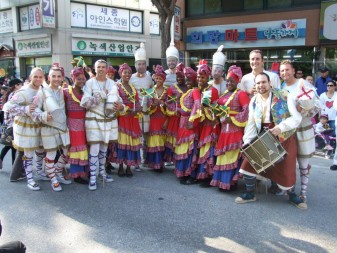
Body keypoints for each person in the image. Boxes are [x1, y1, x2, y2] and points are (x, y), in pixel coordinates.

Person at [235, 72, 304, 209]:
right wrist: (247, 141)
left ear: (270, 83)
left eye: (264, 82)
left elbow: (297, 118)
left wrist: (280, 127)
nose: (261, 85)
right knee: (249, 162)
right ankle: (250, 193)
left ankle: (292, 195)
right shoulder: (254, 100)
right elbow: (251, 122)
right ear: (255, 85)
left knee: (287, 167)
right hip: (264, 134)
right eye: (258, 83)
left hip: (285, 135)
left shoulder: (285, 95)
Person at [280, 60, 320, 207]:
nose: (285, 73)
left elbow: (317, 105)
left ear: (293, 70)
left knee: (303, 163)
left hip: (303, 128)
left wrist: (303, 110)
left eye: (287, 70)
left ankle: (303, 192)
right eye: (282, 70)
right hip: (289, 130)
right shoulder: (282, 86)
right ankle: (289, 188)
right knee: (288, 161)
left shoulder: (303, 84)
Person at [80, 59, 124, 190]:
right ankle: (92, 177)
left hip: (108, 119)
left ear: (106, 69)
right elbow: (85, 103)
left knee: (104, 148)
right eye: (98, 67)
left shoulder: (113, 83)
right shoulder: (89, 83)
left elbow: (120, 101)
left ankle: (102, 172)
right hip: (93, 118)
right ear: (94, 68)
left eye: (103, 67)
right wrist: (101, 95)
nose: (101, 69)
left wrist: (121, 106)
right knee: (94, 148)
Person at [6, 68, 48, 191]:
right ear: (30, 77)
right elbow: (8, 106)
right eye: (36, 76)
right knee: (28, 154)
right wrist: (25, 110)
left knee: (41, 151)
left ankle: (40, 172)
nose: (38, 79)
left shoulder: (42, 90)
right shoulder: (23, 92)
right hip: (26, 128)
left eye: (40, 77)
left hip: (40, 125)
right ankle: (30, 179)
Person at [32, 65, 72, 191]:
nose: (56, 78)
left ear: (62, 78)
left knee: (66, 152)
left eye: (58, 76)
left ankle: (58, 172)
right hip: (48, 127)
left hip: (62, 126)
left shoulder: (63, 90)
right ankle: (53, 178)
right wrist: (44, 115)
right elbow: (34, 109)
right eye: (53, 76)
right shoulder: (42, 91)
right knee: (51, 153)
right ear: (49, 77)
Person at [210, 65, 250, 191]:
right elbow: (217, 107)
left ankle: (229, 183)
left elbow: (247, 111)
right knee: (222, 156)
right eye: (227, 80)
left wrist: (232, 118)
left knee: (231, 156)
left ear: (237, 81)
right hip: (223, 130)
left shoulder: (241, 94)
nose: (229, 83)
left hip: (234, 131)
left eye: (232, 81)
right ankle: (221, 181)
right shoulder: (224, 94)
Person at [112, 63, 142, 177]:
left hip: (133, 119)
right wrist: (129, 110)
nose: (127, 74)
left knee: (131, 142)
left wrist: (138, 108)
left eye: (129, 72)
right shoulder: (117, 87)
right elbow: (116, 102)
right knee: (123, 142)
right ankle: (120, 166)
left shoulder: (133, 88)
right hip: (123, 117)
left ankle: (129, 166)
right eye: (125, 72)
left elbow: (137, 101)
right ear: (120, 73)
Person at [174, 67, 201, 183]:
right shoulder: (188, 91)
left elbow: (197, 104)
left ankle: (190, 174)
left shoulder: (195, 91)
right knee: (183, 148)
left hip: (189, 124)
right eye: (186, 80)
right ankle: (183, 172)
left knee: (189, 150)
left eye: (190, 79)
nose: (188, 82)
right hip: (182, 123)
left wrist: (193, 121)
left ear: (195, 80)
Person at [194, 63, 219, 185]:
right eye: (198, 76)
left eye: (202, 77)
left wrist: (206, 109)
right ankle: (201, 174)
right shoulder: (198, 90)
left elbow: (215, 110)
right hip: (200, 125)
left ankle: (208, 176)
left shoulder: (212, 90)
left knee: (207, 150)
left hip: (209, 125)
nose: (199, 79)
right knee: (201, 150)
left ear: (208, 77)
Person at [130, 43, 153, 168]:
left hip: (146, 110)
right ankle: (136, 161)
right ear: (135, 65)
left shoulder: (150, 78)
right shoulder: (131, 78)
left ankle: (144, 158)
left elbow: (151, 92)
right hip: (135, 110)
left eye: (143, 64)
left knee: (146, 135)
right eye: (139, 64)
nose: (141, 66)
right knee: (136, 135)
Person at [64, 67, 89, 184]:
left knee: (84, 147)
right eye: (78, 79)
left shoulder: (86, 92)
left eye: (83, 79)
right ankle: (76, 174)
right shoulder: (66, 92)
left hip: (85, 123)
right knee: (77, 148)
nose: (81, 81)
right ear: (73, 79)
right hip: (73, 124)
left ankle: (84, 171)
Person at [145, 65, 168, 172]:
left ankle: (161, 163)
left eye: (160, 78)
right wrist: (154, 105)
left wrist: (163, 104)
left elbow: (170, 105)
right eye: (157, 78)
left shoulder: (167, 91)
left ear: (163, 79)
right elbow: (149, 105)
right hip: (154, 118)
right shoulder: (150, 91)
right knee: (154, 141)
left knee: (162, 141)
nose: (158, 80)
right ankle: (154, 164)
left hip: (163, 118)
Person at [164, 63, 187, 163]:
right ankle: (172, 159)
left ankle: (180, 159)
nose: (179, 79)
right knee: (173, 138)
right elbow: (168, 102)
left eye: (181, 77)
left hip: (185, 117)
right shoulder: (172, 88)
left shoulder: (189, 88)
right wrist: (175, 111)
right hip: (175, 117)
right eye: (177, 77)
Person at [0, 80, 22, 170]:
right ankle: (14, 168)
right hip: (13, 123)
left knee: (9, 145)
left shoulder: (10, 94)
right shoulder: (14, 95)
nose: (22, 86)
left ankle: (1, 159)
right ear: (16, 85)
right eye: (20, 84)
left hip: (9, 123)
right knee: (14, 147)